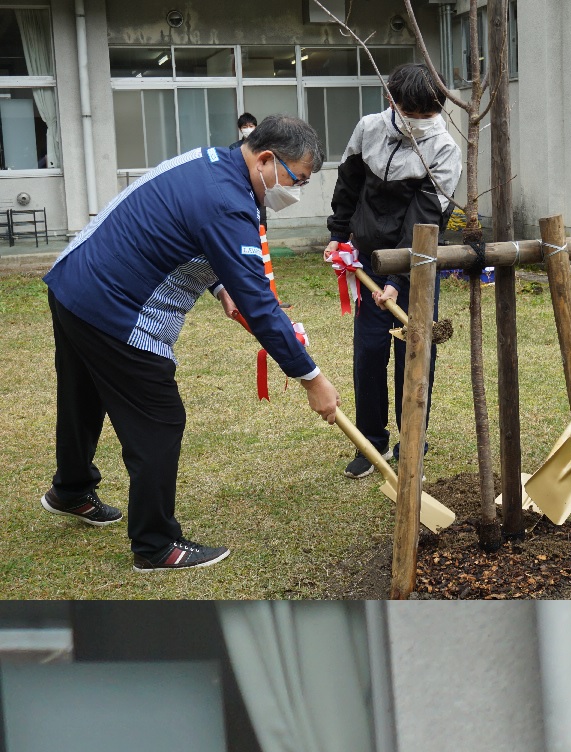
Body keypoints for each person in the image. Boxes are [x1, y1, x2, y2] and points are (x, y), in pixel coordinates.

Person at [40, 111, 334, 574]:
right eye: (295, 178)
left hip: (74, 282)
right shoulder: (227, 200)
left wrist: (220, 287)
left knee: (83, 393)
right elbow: (260, 303)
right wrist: (311, 377)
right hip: (115, 308)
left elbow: (186, 233)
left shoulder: (209, 162)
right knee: (159, 420)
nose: (294, 191)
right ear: (266, 160)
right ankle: (156, 545)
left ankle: (71, 490)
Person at [319, 61, 459, 458]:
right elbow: (348, 182)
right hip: (366, 260)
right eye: (411, 114)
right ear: (392, 101)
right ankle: (370, 443)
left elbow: (426, 218)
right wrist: (337, 233)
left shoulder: (444, 149)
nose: (421, 122)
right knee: (368, 353)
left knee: (414, 354)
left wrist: (398, 280)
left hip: (414, 264)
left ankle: (412, 438)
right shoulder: (369, 128)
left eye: (428, 114)